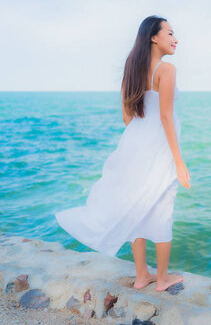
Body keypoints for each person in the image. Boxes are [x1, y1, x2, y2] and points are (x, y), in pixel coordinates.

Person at [55, 15, 191, 292]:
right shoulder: (166, 70)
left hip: (133, 147)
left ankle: (142, 275)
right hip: (159, 150)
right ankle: (162, 279)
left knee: (135, 207)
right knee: (162, 208)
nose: (175, 39)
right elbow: (165, 117)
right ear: (154, 36)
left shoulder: (132, 70)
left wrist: (142, 138)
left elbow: (128, 118)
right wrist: (178, 161)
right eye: (170, 33)